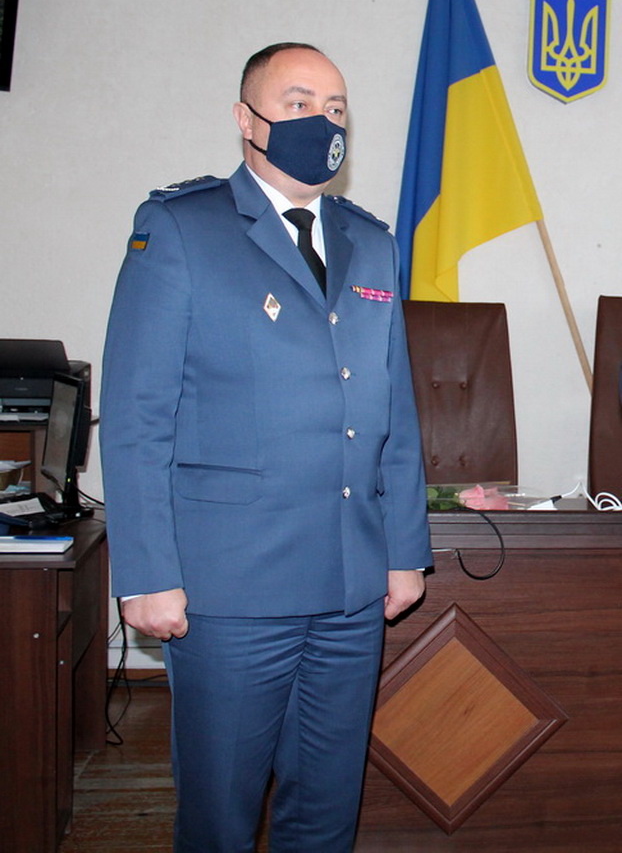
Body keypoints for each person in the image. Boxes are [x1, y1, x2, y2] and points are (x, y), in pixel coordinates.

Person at [100, 42, 433, 853]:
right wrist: (144, 572)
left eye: (337, 107)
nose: (323, 120)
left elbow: (393, 412)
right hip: (230, 590)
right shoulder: (182, 227)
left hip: (349, 588)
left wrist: (404, 553)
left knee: (325, 812)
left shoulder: (372, 242)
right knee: (220, 815)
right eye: (298, 102)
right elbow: (138, 415)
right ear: (246, 119)